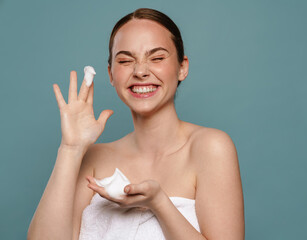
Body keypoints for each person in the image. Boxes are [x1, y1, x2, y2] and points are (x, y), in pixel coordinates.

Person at [28, 8, 244, 240]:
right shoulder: (93, 159)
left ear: (182, 67)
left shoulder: (210, 148)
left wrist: (159, 203)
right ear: (111, 74)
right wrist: (70, 149)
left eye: (157, 58)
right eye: (125, 60)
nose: (140, 71)